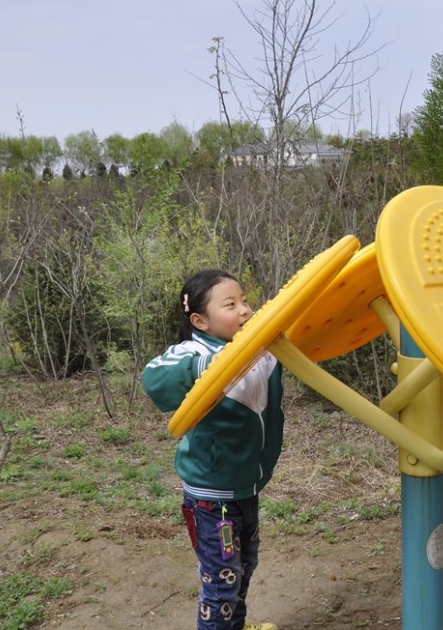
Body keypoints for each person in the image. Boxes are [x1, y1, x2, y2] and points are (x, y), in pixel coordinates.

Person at [142, 269, 283, 630]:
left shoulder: (259, 347)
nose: (245, 310)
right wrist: (206, 367)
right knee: (221, 584)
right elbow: (154, 378)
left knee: (244, 568)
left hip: (248, 486)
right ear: (200, 320)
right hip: (211, 496)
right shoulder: (195, 351)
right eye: (231, 304)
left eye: (245, 301)